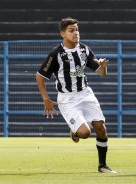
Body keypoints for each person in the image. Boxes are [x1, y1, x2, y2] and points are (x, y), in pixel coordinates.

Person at [36, 17, 116, 173]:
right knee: (85, 133)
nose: (76, 33)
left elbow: (101, 73)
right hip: (67, 99)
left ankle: (102, 166)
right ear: (63, 34)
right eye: (71, 30)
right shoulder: (56, 54)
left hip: (86, 93)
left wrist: (104, 67)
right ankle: (75, 130)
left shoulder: (84, 50)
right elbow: (39, 76)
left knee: (101, 128)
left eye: (77, 30)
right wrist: (46, 100)